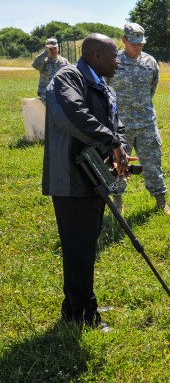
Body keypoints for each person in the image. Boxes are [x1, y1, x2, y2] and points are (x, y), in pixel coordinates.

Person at [42, 33, 134, 332]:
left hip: (93, 174)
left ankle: (78, 303)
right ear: (95, 56)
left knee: (86, 244)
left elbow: (114, 121)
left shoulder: (101, 83)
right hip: (72, 177)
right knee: (78, 246)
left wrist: (118, 143)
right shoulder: (67, 77)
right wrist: (111, 142)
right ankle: (82, 312)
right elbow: (73, 115)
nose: (118, 60)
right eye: (113, 56)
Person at [107, 23, 170, 216]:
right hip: (120, 126)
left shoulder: (150, 62)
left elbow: (152, 89)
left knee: (153, 163)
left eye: (141, 43)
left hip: (146, 123)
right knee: (118, 164)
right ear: (124, 40)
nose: (138, 47)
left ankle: (161, 203)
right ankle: (118, 203)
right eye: (133, 43)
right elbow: (104, 91)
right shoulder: (113, 62)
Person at [31, 38, 70, 105]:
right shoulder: (44, 61)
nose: (53, 51)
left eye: (54, 48)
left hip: (61, 91)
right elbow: (36, 65)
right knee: (51, 108)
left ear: (58, 49)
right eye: (50, 49)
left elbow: (70, 75)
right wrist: (45, 52)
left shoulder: (64, 61)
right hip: (46, 92)